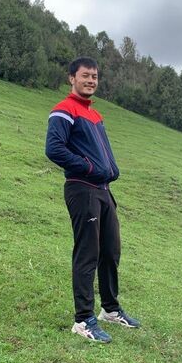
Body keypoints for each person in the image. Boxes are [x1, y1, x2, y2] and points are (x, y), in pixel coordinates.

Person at [45, 56, 140, 343]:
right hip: (82, 189)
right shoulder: (63, 110)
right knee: (88, 253)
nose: (91, 80)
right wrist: (88, 167)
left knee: (110, 250)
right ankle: (83, 319)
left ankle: (110, 309)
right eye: (85, 75)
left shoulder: (95, 115)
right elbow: (54, 149)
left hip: (103, 190)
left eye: (95, 76)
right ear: (71, 78)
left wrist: (110, 170)